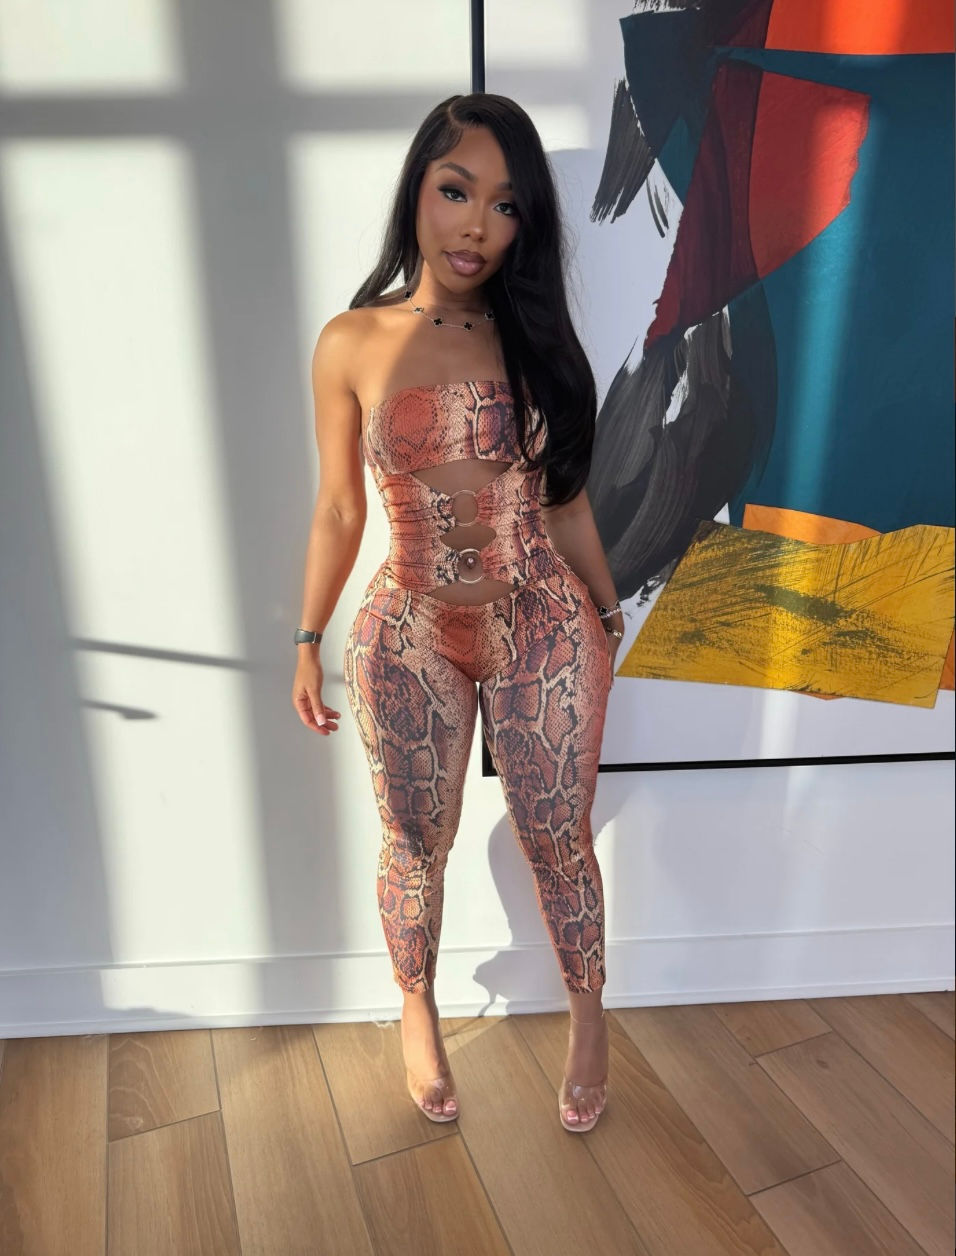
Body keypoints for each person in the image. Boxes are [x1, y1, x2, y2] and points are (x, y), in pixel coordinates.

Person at [291, 93, 625, 1133]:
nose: (476, 224)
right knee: (412, 839)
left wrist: (605, 602)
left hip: (542, 619)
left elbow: (565, 501)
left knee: (557, 833)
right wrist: (306, 637)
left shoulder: (537, 340)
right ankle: (416, 1008)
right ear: (417, 192)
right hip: (408, 628)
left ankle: (589, 1019)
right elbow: (339, 507)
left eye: (505, 205)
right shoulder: (351, 340)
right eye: (455, 191)